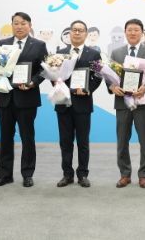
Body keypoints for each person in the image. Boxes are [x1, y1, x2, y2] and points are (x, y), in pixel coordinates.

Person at [0, 12, 48, 188]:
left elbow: (44, 69)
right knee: (5, 137)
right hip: (5, 97)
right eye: (16, 23)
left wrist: (33, 82)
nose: (19, 26)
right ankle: (5, 175)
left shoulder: (39, 45)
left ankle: (27, 174)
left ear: (30, 26)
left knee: (27, 137)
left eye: (23, 23)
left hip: (27, 97)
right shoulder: (2, 44)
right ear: (12, 25)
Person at [108, 19, 145, 188]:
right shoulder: (116, 53)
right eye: (129, 30)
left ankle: (143, 175)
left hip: (143, 102)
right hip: (122, 102)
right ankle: (125, 174)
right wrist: (112, 87)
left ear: (142, 33)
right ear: (125, 32)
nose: (132, 33)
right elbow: (109, 75)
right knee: (122, 140)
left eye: (136, 30)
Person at [55, 20, 102, 188]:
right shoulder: (59, 53)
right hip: (63, 103)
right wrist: (55, 82)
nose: (77, 33)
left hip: (83, 103)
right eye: (74, 30)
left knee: (83, 142)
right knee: (65, 142)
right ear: (69, 33)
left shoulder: (94, 54)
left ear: (86, 34)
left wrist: (88, 89)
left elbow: (98, 76)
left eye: (80, 30)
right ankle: (67, 174)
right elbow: (53, 74)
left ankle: (83, 174)